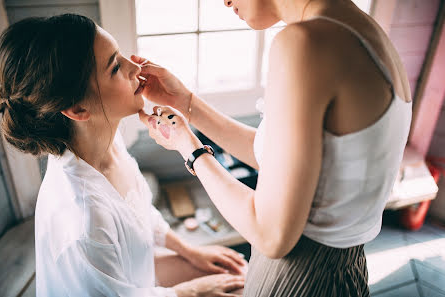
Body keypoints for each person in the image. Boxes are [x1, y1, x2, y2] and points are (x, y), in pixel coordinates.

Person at [134, 0, 413, 296]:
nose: (224, 1)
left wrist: (188, 147)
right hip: (345, 271)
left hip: (300, 277)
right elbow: (279, 157)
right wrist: (186, 103)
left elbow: (271, 235)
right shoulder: (364, 33)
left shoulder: (305, 42)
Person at [0, 14, 246, 297]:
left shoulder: (107, 143)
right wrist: (190, 291)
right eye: (115, 66)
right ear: (78, 110)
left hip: (136, 274)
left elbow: (139, 212)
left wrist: (189, 251)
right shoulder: (83, 218)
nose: (134, 66)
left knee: (240, 275)